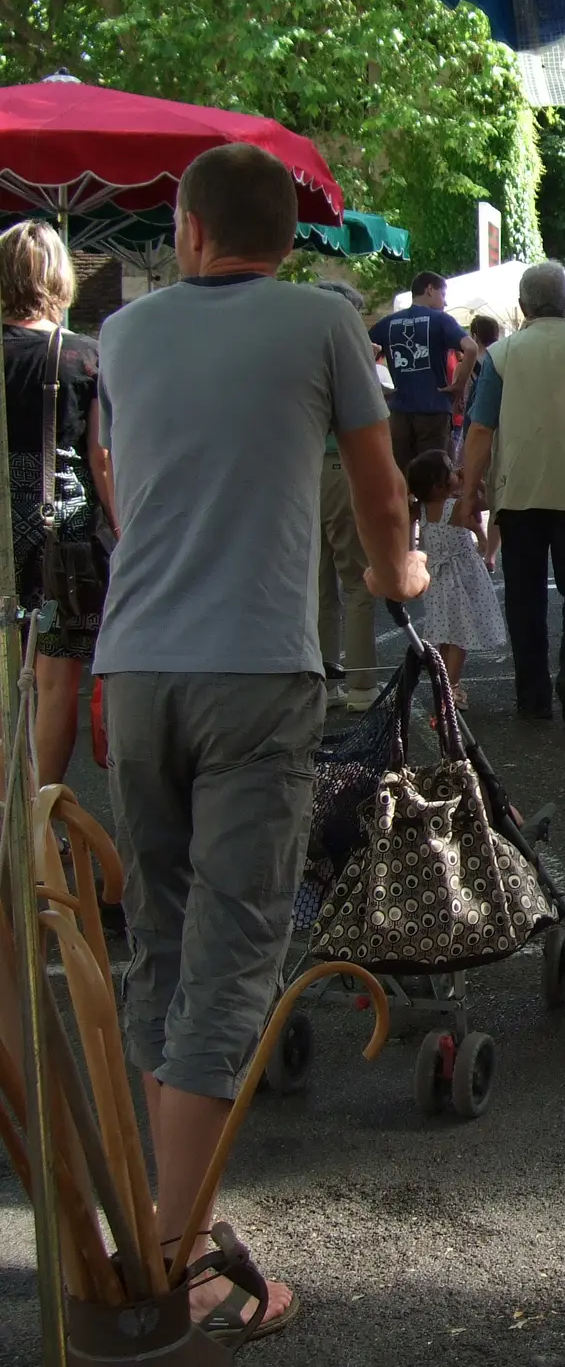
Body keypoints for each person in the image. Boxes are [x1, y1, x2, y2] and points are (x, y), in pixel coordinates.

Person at [97, 142, 424, 1340]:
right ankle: (176, 1256)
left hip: (137, 667)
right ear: (287, 239)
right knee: (235, 952)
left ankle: (165, 1214)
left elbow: (122, 485)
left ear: (186, 230)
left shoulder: (122, 339)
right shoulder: (323, 322)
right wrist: (402, 573)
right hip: (256, 668)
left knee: (161, 942)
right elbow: (381, 494)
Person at [455, 261, 565, 729]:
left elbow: (479, 430)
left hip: (517, 492)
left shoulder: (502, 355)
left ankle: (532, 697)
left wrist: (469, 493)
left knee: (525, 596)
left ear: (523, 306)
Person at [0, 220, 115, 785]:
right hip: (61, 541)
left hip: (2, 534)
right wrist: (124, 531)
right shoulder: (84, 357)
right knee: (54, 685)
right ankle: (44, 817)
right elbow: (101, 460)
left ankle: (7, 828)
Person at [312, 278, 380, 712]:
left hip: (303, 469)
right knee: (357, 580)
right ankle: (360, 684)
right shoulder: (345, 356)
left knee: (316, 583)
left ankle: (323, 682)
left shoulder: (295, 353)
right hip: (340, 465)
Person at [405, 449, 506, 707]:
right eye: (451, 469)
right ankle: (451, 688)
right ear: (439, 485)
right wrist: (475, 481)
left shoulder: (422, 510)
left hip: (437, 579)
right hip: (463, 576)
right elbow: (493, 500)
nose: (456, 471)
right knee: (460, 635)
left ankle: (444, 685)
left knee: (443, 632)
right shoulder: (457, 506)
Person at [369, 270, 479, 475]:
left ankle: (406, 508)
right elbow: (471, 348)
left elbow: (360, 350)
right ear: (430, 289)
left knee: (403, 478)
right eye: (443, 295)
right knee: (435, 478)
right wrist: (459, 386)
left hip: (399, 411)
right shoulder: (441, 320)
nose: (445, 303)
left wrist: (380, 389)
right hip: (434, 409)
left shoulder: (388, 323)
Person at [453, 312, 503, 462]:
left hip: (472, 426)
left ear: (474, 336)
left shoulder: (462, 367)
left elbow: (457, 406)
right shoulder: (501, 361)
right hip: (499, 425)